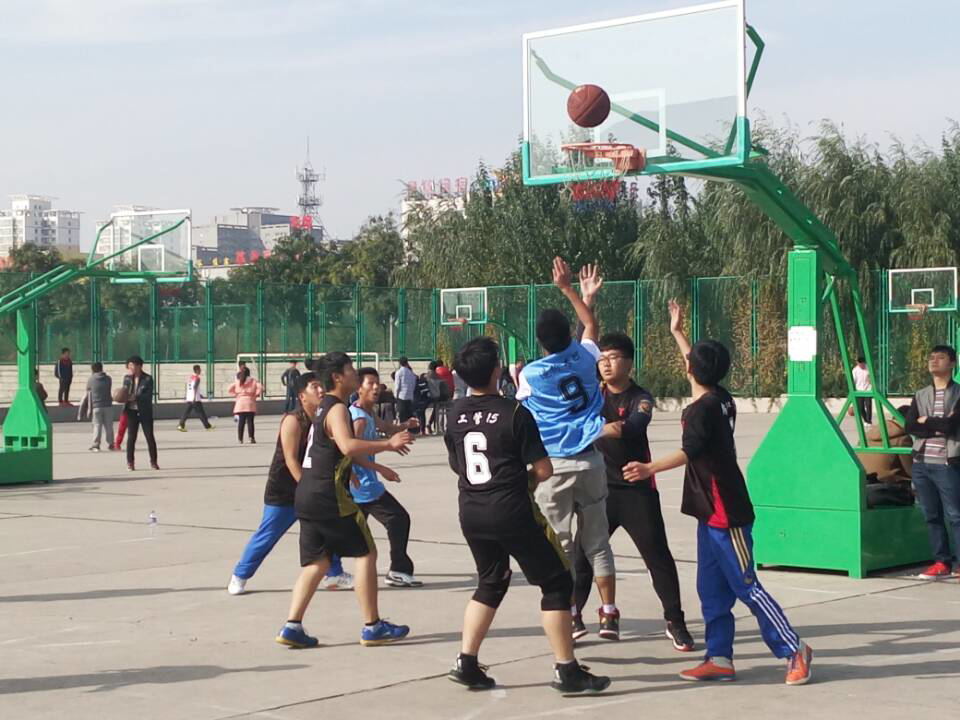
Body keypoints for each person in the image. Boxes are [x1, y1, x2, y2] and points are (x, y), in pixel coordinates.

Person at [622, 299, 812, 685]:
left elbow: (688, 452)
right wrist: (677, 332)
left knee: (746, 586)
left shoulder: (701, 410)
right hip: (707, 510)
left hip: (727, 511)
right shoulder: (720, 397)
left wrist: (648, 468)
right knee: (710, 589)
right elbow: (696, 366)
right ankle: (720, 657)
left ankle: (794, 648)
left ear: (690, 370)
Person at [445, 336, 610, 694]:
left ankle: (466, 661)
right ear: (496, 370)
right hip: (511, 510)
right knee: (556, 584)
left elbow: (457, 464)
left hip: (471, 511)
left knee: (490, 582)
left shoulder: (454, 413)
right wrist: (525, 477)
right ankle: (567, 669)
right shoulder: (514, 412)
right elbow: (544, 469)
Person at [277, 352, 415, 649]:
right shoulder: (338, 408)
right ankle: (373, 626)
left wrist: (363, 468)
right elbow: (347, 445)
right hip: (329, 496)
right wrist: (388, 444)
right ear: (338, 377)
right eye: (350, 369)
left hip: (307, 494)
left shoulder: (323, 408)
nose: (355, 373)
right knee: (366, 553)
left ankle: (292, 626)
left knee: (318, 562)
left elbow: (332, 450)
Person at [516, 258, 622, 639]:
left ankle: (570, 613)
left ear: (541, 342)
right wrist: (570, 290)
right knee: (597, 544)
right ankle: (608, 613)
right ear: (569, 336)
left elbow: (521, 411)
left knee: (559, 543)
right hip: (591, 459)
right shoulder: (585, 356)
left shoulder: (531, 374)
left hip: (555, 465)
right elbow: (590, 324)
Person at [572, 331, 695, 650]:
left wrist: (594, 429)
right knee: (581, 556)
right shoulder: (592, 394)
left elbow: (634, 426)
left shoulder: (640, 397)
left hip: (636, 490)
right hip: (598, 491)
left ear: (629, 363)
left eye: (613, 358)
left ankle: (675, 622)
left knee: (657, 557)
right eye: (602, 358)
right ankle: (573, 616)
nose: (605, 364)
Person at [228, 372, 353, 596]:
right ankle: (240, 575)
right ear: (302, 396)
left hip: (312, 487)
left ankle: (334, 574)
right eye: (314, 387)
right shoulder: (293, 421)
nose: (321, 390)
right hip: (284, 490)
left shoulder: (323, 418)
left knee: (328, 531)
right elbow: (290, 460)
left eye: (321, 386)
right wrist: (307, 489)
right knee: (268, 534)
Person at [350, 367, 422, 587]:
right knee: (398, 519)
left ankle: (330, 567)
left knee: (349, 531)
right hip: (363, 485)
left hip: (362, 484)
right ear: (358, 388)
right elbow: (351, 452)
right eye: (370, 384)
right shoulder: (358, 419)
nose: (376, 388)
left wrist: (405, 426)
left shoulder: (368, 412)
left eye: (377, 383)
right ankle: (398, 570)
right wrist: (381, 468)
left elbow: (387, 428)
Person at [904, 344, 960, 580]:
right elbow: (910, 426)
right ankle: (941, 562)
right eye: (931, 357)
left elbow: (952, 426)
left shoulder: (958, 394)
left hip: (948, 464)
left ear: (952, 363)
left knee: (955, 515)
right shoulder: (920, 394)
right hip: (922, 464)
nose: (934, 361)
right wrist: (935, 424)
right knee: (931, 516)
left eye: (940, 357)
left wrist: (926, 420)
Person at [122, 356, 158, 471]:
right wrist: (121, 397)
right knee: (131, 437)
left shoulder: (148, 379)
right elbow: (124, 392)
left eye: (132, 365)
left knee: (149, 437)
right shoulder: (127, 378)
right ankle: (130, 462)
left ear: (139, 366)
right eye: (129, 365)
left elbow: (147, 395)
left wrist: (135, 397)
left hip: (144, 412)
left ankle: (153, 462)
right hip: (131, 411)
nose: (130, 368)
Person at [85, 362, 115, 452]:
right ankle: (111, 444)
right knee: (109, 426)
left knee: (97, 425)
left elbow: (88, 391)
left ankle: (96, 444)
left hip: (96, 406)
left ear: (93, 370)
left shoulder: (91, 379)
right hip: (108, 405)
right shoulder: (108, 379)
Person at [229, 367, 263, 444]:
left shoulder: (238, 381)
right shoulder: (253, 381)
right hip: (250, 402)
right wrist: (256, 394)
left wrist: (236, 395)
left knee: (241, 421)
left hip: (240, 403)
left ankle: (240, 439)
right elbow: (261, 387)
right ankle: (251, 438)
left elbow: (229, 388)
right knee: (250, 421)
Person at [178, 365, 212, 431]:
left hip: (189, 398)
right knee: (201, 413)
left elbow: (189, 387)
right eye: (199, 369)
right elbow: (194, 387)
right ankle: (208, 426)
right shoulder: (197, 378)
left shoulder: (190, 377)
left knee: (186, 413)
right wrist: (194, 397)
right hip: (195, 399)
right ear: (197, 370)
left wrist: (199, 394)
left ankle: (181, 425)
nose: (200, 371)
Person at [395, 356, 417, 425]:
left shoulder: (399, 373)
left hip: (401, 397)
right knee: (409, 417)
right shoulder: (411, 373)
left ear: (399, 363)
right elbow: (413, 385)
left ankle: (403, 429)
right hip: (410, 397)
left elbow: (397, 386)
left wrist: (396, 397)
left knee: (402, 418)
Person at [853, 356, 873, 424]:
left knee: (868, 405)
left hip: (868, 390)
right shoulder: (855, 371)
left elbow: (871, 378)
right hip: (859, 390)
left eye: (863, 363)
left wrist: (871, 382)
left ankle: (869, 421)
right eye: (860, 363)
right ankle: (865, 420)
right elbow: (853, 381)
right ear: (857, 363)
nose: (862, 365)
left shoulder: (868, 368)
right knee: (861, 407)